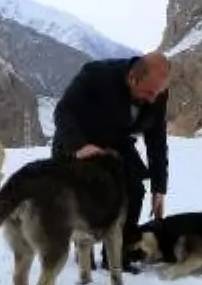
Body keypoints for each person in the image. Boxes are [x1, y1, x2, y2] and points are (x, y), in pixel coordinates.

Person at [51, 52, 170, 273]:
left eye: (158, 93)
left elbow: (157, 140)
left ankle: (115, 255)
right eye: (150, 92)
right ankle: (83, 244)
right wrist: (79, 146)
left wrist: (159, 187)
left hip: (116, 144)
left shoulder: (158, 92)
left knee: (135, 190)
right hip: (78, 142)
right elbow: (63, 111)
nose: (153, 99)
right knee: (90, 194)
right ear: (133, 79)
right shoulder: (96, 75)